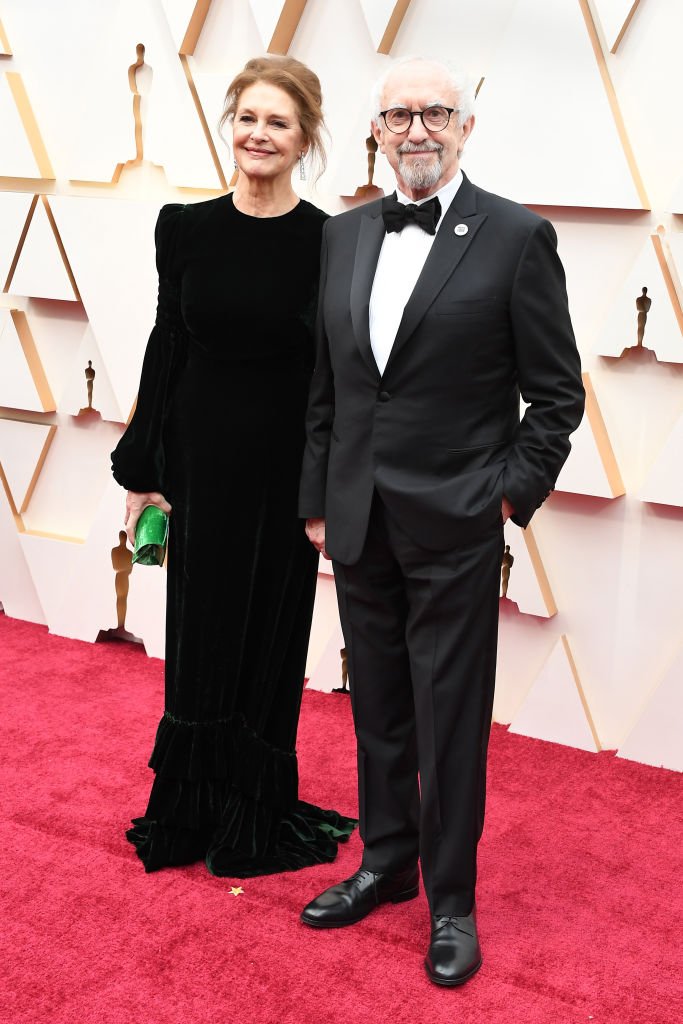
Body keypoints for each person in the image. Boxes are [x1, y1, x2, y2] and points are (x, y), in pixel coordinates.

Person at [298, 57, 585, 986]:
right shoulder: (341, 236)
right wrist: (315, 499)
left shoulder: (515, 236)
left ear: (466, 126)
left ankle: (450, 900)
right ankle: (384, 862)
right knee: (374, 702)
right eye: (397, 115)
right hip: (355, 517)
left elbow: (553, 396)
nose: (416, 129)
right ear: (374, 130)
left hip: (456, 521)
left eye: (435, 113)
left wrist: (504, 495)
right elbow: (327, 388)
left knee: (447, 716)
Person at [111, 54, 355, 879]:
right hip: (201, 464)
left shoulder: (330, 241)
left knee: (269, 636)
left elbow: (336, 373)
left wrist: (326, 487)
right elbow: (166, 344)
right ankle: (188, 810)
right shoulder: (184, 226)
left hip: (285, 472)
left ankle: (252, 815)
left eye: (277, 122)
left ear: (304, 138)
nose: (258, 134)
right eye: (247, 117)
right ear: (230, 124)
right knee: (201, 634)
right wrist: (146, 465)